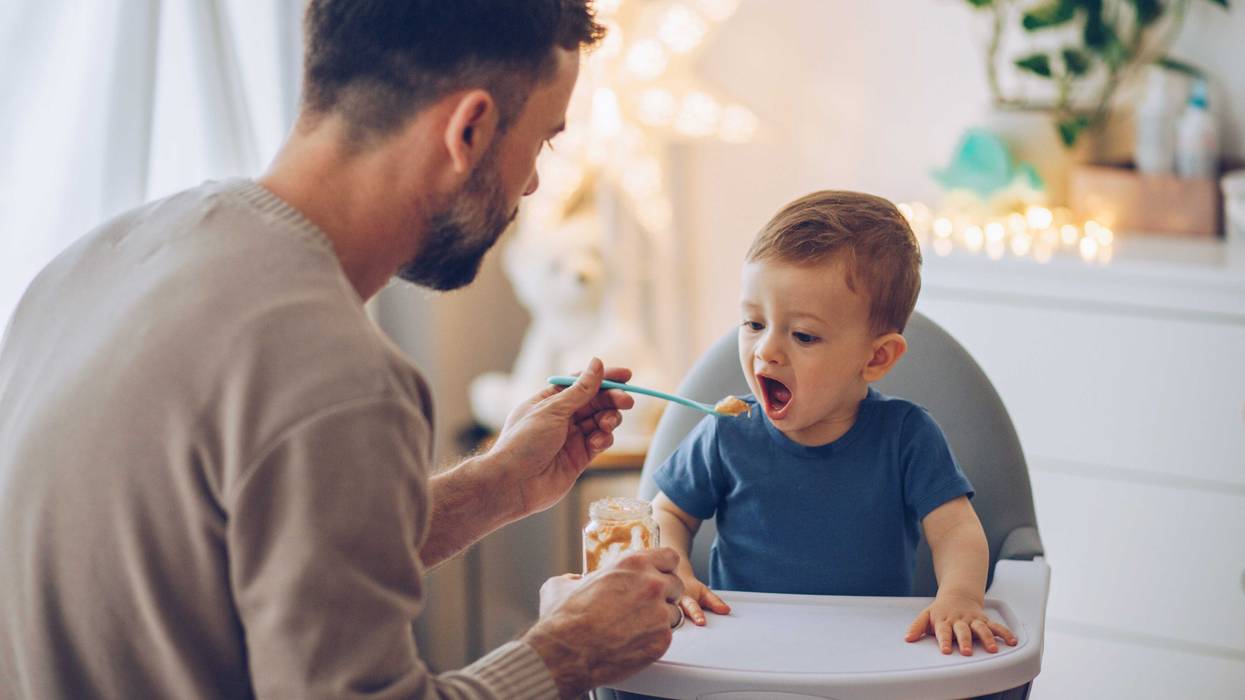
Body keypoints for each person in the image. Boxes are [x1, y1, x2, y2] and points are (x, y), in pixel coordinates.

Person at [0, 2, 686, 698]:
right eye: (541, 142)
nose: (532, 184)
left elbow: (231, 556)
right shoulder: (337, 374)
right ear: (469, 129)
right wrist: (568, 651)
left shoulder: (95, 261)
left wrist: (498, 486)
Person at [651, 190, 1018, 656]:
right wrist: (677, 568)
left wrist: (961, 598)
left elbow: (955, 530)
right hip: (743, 654)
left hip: (867, 658)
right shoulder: (728, 432)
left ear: (876, 357)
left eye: (802, 334)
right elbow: (667, 513)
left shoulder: (907, 438)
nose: (766, 351)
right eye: (753, 324)